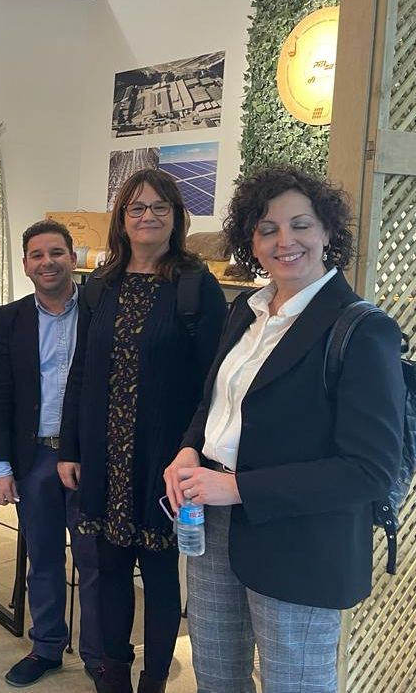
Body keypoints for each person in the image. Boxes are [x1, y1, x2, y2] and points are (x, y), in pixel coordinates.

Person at [163, 166, 405, 693]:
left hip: (300, 543)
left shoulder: (362, 330)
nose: (284, 241)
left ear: (328, 231)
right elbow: (215, 402)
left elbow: (369, 470)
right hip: (214, 526)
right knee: (217, 677)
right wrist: (188, 451)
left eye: (301, 225)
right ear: (251, 241)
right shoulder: (245, 313)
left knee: (294, 684)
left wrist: (238, 488)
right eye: (267, 229)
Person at [58, 169, 226, 693]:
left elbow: (213, 385)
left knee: (158, 575)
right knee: (107, 571)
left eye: (159, 207)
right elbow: (81, 370)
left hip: (164, 460)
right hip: (104, 458)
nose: (147, 216)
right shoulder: (99, 286)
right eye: (136, 208)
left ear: (176, 217)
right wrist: (69, 447)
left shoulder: (196, 286)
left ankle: (154, 679)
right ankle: (113, 673)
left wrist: (193, 451)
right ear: (122, 219)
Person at [0, 219, 105, 688]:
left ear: (72, 258)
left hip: (90, 459)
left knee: (94, 561)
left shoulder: (101, 310)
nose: (47, 262)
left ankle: (99, 655)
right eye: (37, 255)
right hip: (34, 457)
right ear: (25, 264)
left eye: (56, 253)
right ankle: (47, 646)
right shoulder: (8, 319)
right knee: (44, 557)